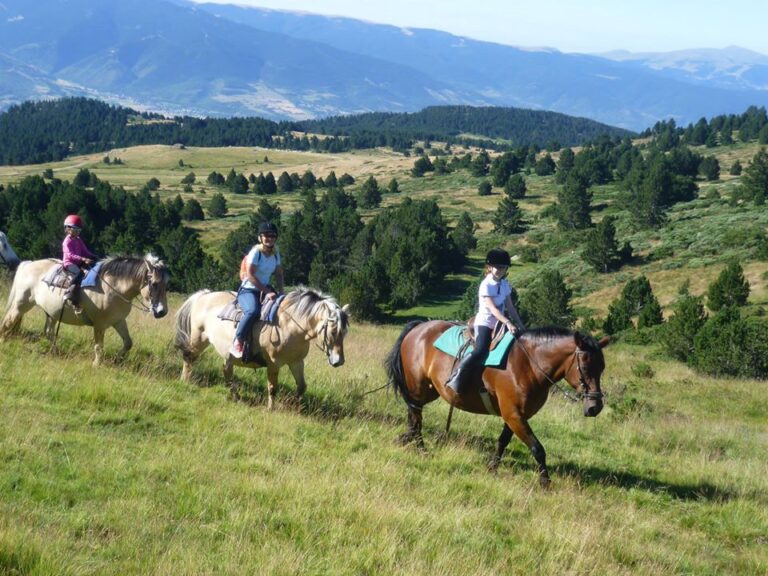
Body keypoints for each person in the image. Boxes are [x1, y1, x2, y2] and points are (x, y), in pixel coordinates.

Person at [446, 248, 525, 395]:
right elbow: (493, 309)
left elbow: (510, 307)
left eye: (503, 267)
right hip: (485, 323)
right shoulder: (486, 285)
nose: (500, 270)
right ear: (489, 267)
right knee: (481, 350)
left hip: (500, 324)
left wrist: (520, 324)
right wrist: (508, 323)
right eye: (497, 267)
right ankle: (456, 377)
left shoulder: (505, 284)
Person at [230, 221, 285, 359]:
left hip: (265, 289)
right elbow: (250, 275)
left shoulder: (276, 254)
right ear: (260, 237)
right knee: (252, 311)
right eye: (266, 235)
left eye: (272, 235)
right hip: (249, 290)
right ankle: (238, 340)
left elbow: (279, 274)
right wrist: (267, 292)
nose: (270, 238)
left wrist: (282, 291)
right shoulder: (256, 253)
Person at [61, 214, 98, 314]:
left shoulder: (78, 240)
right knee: (78, 274)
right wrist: (83, 259)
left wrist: (93, 256)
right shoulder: (66, 242)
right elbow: (70, 255)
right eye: (75, 229)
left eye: (79, 230)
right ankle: (70, 295)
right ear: (68, 228)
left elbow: (85, 251)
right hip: (69, 263)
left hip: (79, 262)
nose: (77, 232)